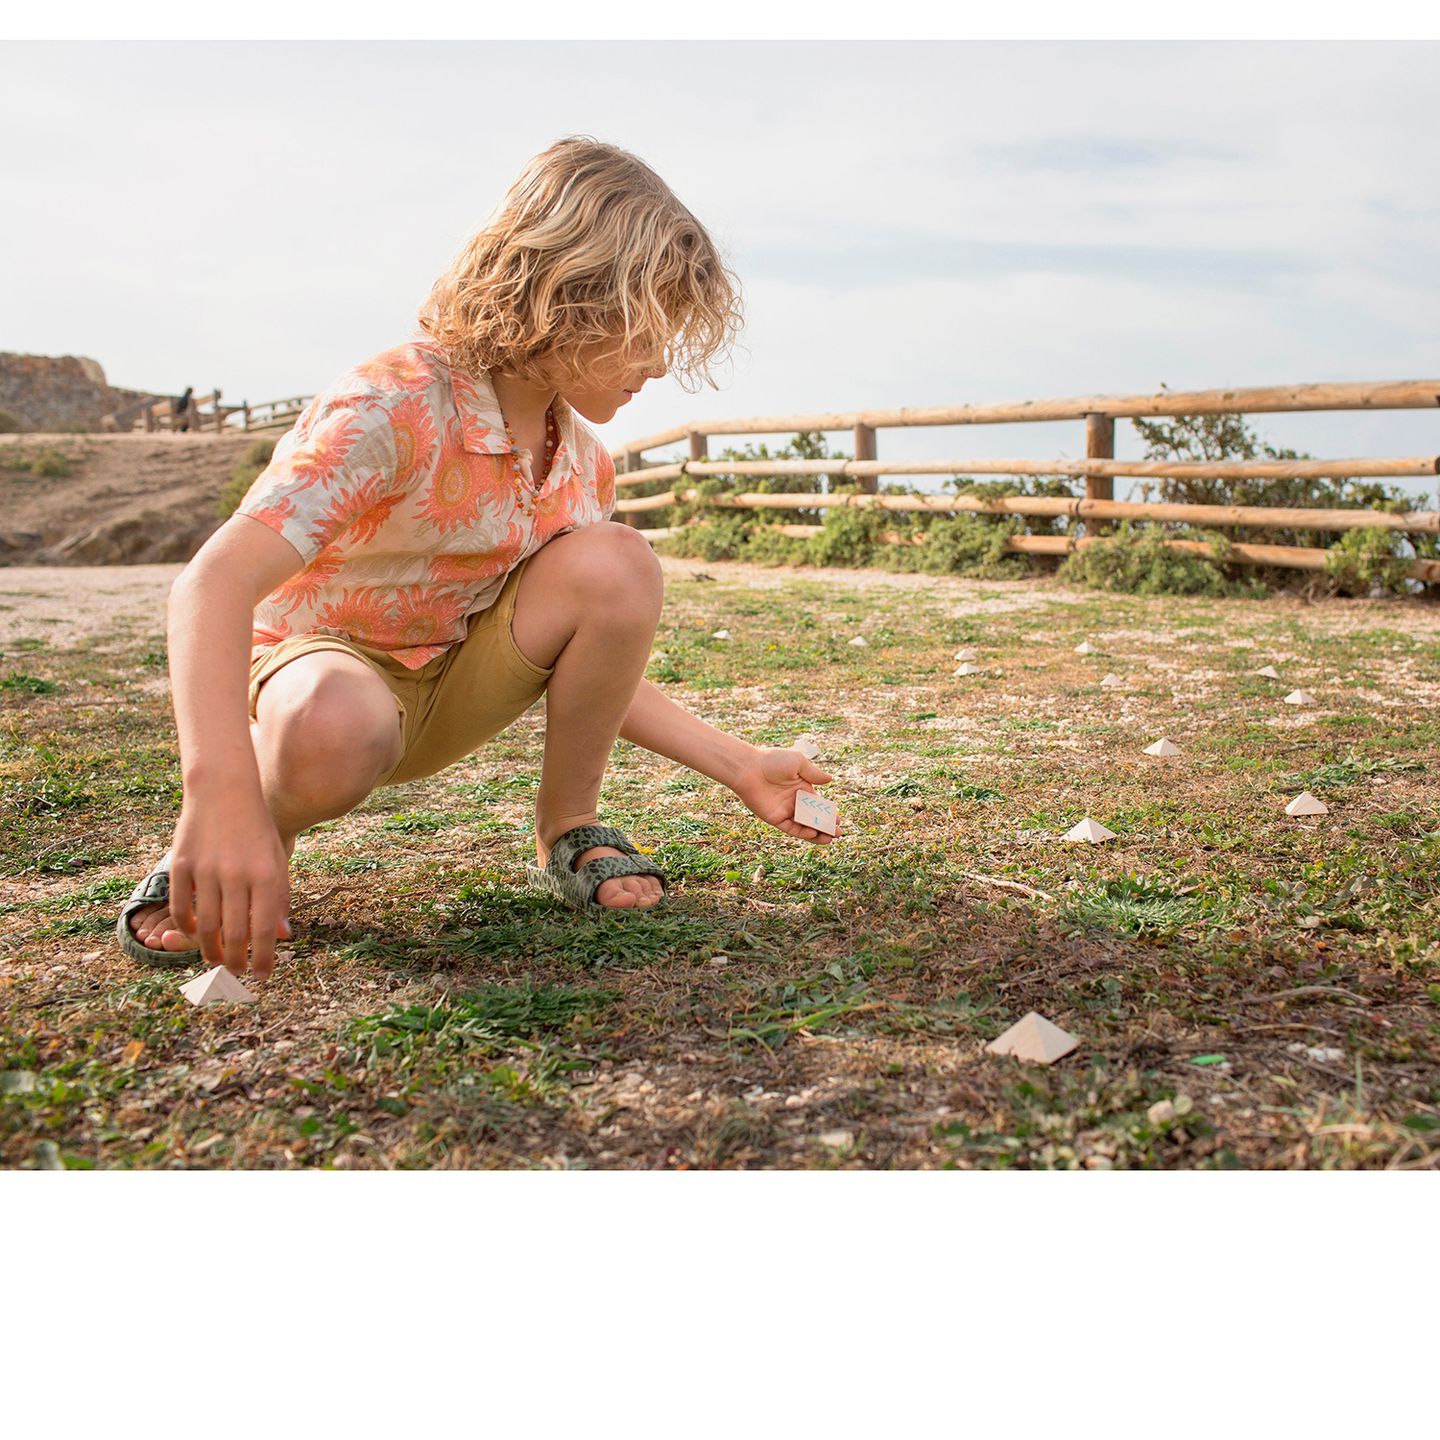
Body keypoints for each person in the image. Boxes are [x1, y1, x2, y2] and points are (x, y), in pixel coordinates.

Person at [116, 136, 837, 979]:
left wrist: (741, 764)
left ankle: (569, 824)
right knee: (333, 720)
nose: (660, 361)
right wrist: (218, 790)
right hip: (317, 693)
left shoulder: (583, 460)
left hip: (452, 687)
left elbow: (594, 664)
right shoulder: (393, 400)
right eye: (648, 328)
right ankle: (245, 831)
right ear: (571, 294)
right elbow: (214, 582)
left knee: (619, 562)